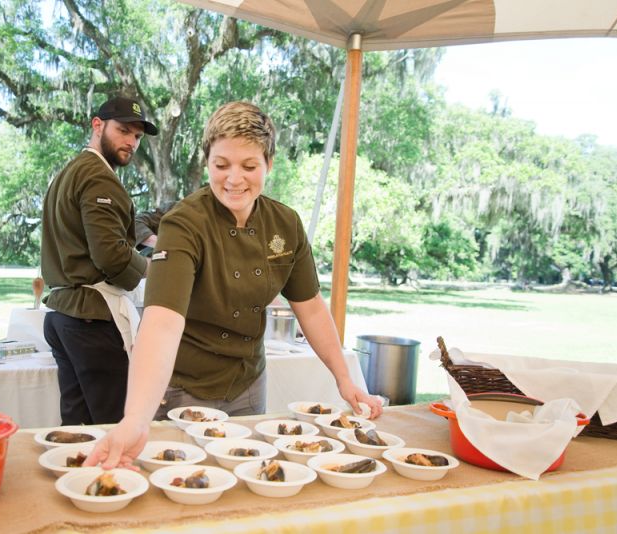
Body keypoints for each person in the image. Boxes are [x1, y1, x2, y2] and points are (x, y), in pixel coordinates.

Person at [85, 101, 382, 468]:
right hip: (183, 392)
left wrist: (345, 378)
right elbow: (161, 323)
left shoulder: (285, 224)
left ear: (269, 164)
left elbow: (312, 308)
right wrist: (135, 419)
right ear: (207, 162)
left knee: (246, 478)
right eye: (221, 165)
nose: (234, 179)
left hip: (248, 387)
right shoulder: (184, 224)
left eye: (249, 166)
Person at [41, 95, 158, 425]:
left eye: (136, 137)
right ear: (97, 124)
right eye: (123, 131)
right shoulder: (98, 176)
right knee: (116, 425)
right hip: (90, 318)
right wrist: (157, 266)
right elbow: (112, 257)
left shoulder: (68, 172)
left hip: (63, 316)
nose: (131, 143)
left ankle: (74, 478)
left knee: (77, 427)